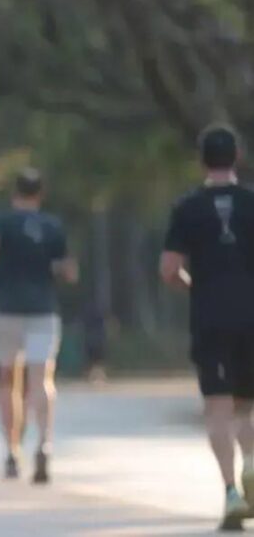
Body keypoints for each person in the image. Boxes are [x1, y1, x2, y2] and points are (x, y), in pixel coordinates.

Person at [160, 125, 254, 531]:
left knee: (218, 406)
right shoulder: (252, 203)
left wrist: (194, 286)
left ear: (202, 161)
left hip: (210, 316)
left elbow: (169, 269)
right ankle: (252, 463)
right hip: (251, 315)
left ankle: (231, 492)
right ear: (237, 157)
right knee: (246, 405)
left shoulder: (187, 208)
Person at [0, 167, 77, 483]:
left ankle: (11, 450)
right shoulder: (52, 226)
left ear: (14, 192)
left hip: (6, 308)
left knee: (7, 379)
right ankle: (44, 443)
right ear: (41, 194)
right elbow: (69, 270)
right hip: (43, 309)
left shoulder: (0, 221)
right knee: (41, 378)